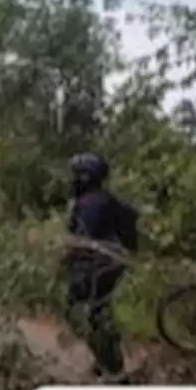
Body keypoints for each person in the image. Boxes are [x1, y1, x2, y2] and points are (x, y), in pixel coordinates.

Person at [63, 152, 138, 378]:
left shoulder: (90, 203)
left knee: (79, 311)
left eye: (76, 175)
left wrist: (67, 255)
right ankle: (107, 362)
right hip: (111, 263)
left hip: (98, 265)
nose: (72, 179)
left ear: (85, 177)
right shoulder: (105, 198)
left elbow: (84, 239)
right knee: (100, 310)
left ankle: (114, 368)